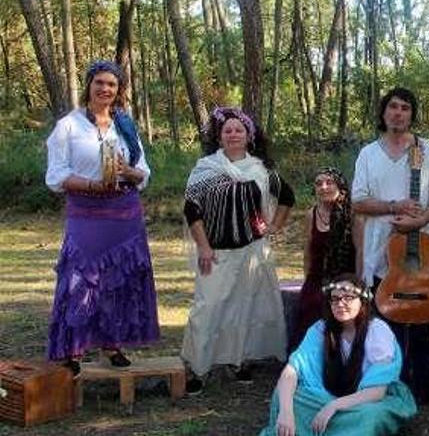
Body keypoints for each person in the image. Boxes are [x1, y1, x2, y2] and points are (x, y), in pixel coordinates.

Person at [45, 60, 159, 375]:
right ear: (89, 85)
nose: (106, 89)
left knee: (117, 279)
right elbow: (56, 175)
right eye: (100, 83)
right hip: (86, 211)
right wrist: (93, 184)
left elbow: (144, 174)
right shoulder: (68, 126)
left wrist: (127, 171)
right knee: (80, 278)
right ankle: (74, 348)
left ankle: (112, 344)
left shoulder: (126, 125)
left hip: (124, 212)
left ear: (118, 90)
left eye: (112, 84)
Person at [351, 87, 429, 404]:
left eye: (405, 108)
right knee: (385, 317)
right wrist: (395, 206)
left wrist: (418, 222)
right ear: (383, 113)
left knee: (421, 317)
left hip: (419, 247)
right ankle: (388, 382)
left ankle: (421, 383)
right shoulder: (369, 153)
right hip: (382, 247)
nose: (398, 113)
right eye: (393, 107)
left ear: (412, 114)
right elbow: (357, 201)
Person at [181, 107, 293, 394]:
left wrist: (274, 227)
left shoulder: (261, 170)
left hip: (253, 251)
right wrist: (203, 247)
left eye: (238, 130)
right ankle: (197, 368)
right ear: (219, 137)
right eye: (227, 130)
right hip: (216, 251)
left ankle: (240, 361)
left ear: (248, 136)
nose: (233, 134)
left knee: (246, 308)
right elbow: (192, 210)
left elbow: (287, 197)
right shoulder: (205, 169)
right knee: (207, 309)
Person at [260, 275, 417, 436]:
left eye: (348, 297)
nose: (340, 303)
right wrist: (286, 413)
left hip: (366, 401)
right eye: (334, 299)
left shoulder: (377, 331)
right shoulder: (320, 329)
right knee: (285, 395)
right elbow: (291, 372)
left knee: (370, 416)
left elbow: (377, 391)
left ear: (362, 302)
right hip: (324, 396)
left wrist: (334, 406)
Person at [290, 167, 358, 350]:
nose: (323, 187)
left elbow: (361, 251)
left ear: (340, 186)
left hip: (345, 277)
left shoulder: (352, 215)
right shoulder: (311, 215)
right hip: (317, 277)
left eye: (329, 182)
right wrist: (308, 281)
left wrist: (359, 283)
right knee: (310, 305)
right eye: (319, 183)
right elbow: (308, 251)